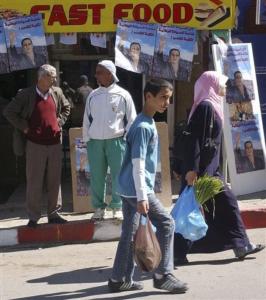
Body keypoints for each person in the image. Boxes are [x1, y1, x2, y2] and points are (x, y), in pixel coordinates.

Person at [173, 71, 265, 265]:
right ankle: (176, 252)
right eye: (222, 84)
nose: (224, 88)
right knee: (194, 209)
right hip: (203, 171)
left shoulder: (211, 106)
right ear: (212, 85)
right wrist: (191, 169)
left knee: (209, 207)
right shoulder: (206, 107)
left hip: (210, 169)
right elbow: (195, 141)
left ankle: (240, 245)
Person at [108, 78, 188, 294]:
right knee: (167, 223)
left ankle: (119, 278)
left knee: (129, 232)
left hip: (128, 188)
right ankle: (163, 275)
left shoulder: (145, 121)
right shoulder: (143, 126)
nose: (166, 103)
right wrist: (143, 196)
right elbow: (139, 165)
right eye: (163, 97)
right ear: (148, 97)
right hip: (137, 189)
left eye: (169, 98)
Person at [3, 64, 71, 228]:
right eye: (51, 76)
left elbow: (67, 108)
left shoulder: (57, 92)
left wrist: (59, 122)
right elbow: (9, 112)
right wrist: (25, 127)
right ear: (41, 77)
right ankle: (33, 216)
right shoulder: (26, 94)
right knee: (35, 180)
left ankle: (54, 213)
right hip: (35, 144)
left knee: (54, 180)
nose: (54, 79)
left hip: (55, 143)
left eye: (55, 76)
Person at [82, 60, 136, 220]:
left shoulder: (123, 95)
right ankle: (99, 208)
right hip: (95, 142)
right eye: (96, 72)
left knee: (118, 175)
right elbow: (86, 119)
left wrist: (125, 139)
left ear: (110, 73)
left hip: (117, 141)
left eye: (99, 72)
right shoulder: (93, 95)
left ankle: (117, 207)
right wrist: (87, 139)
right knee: (97, 177)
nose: (96, 75)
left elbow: (131, 119)